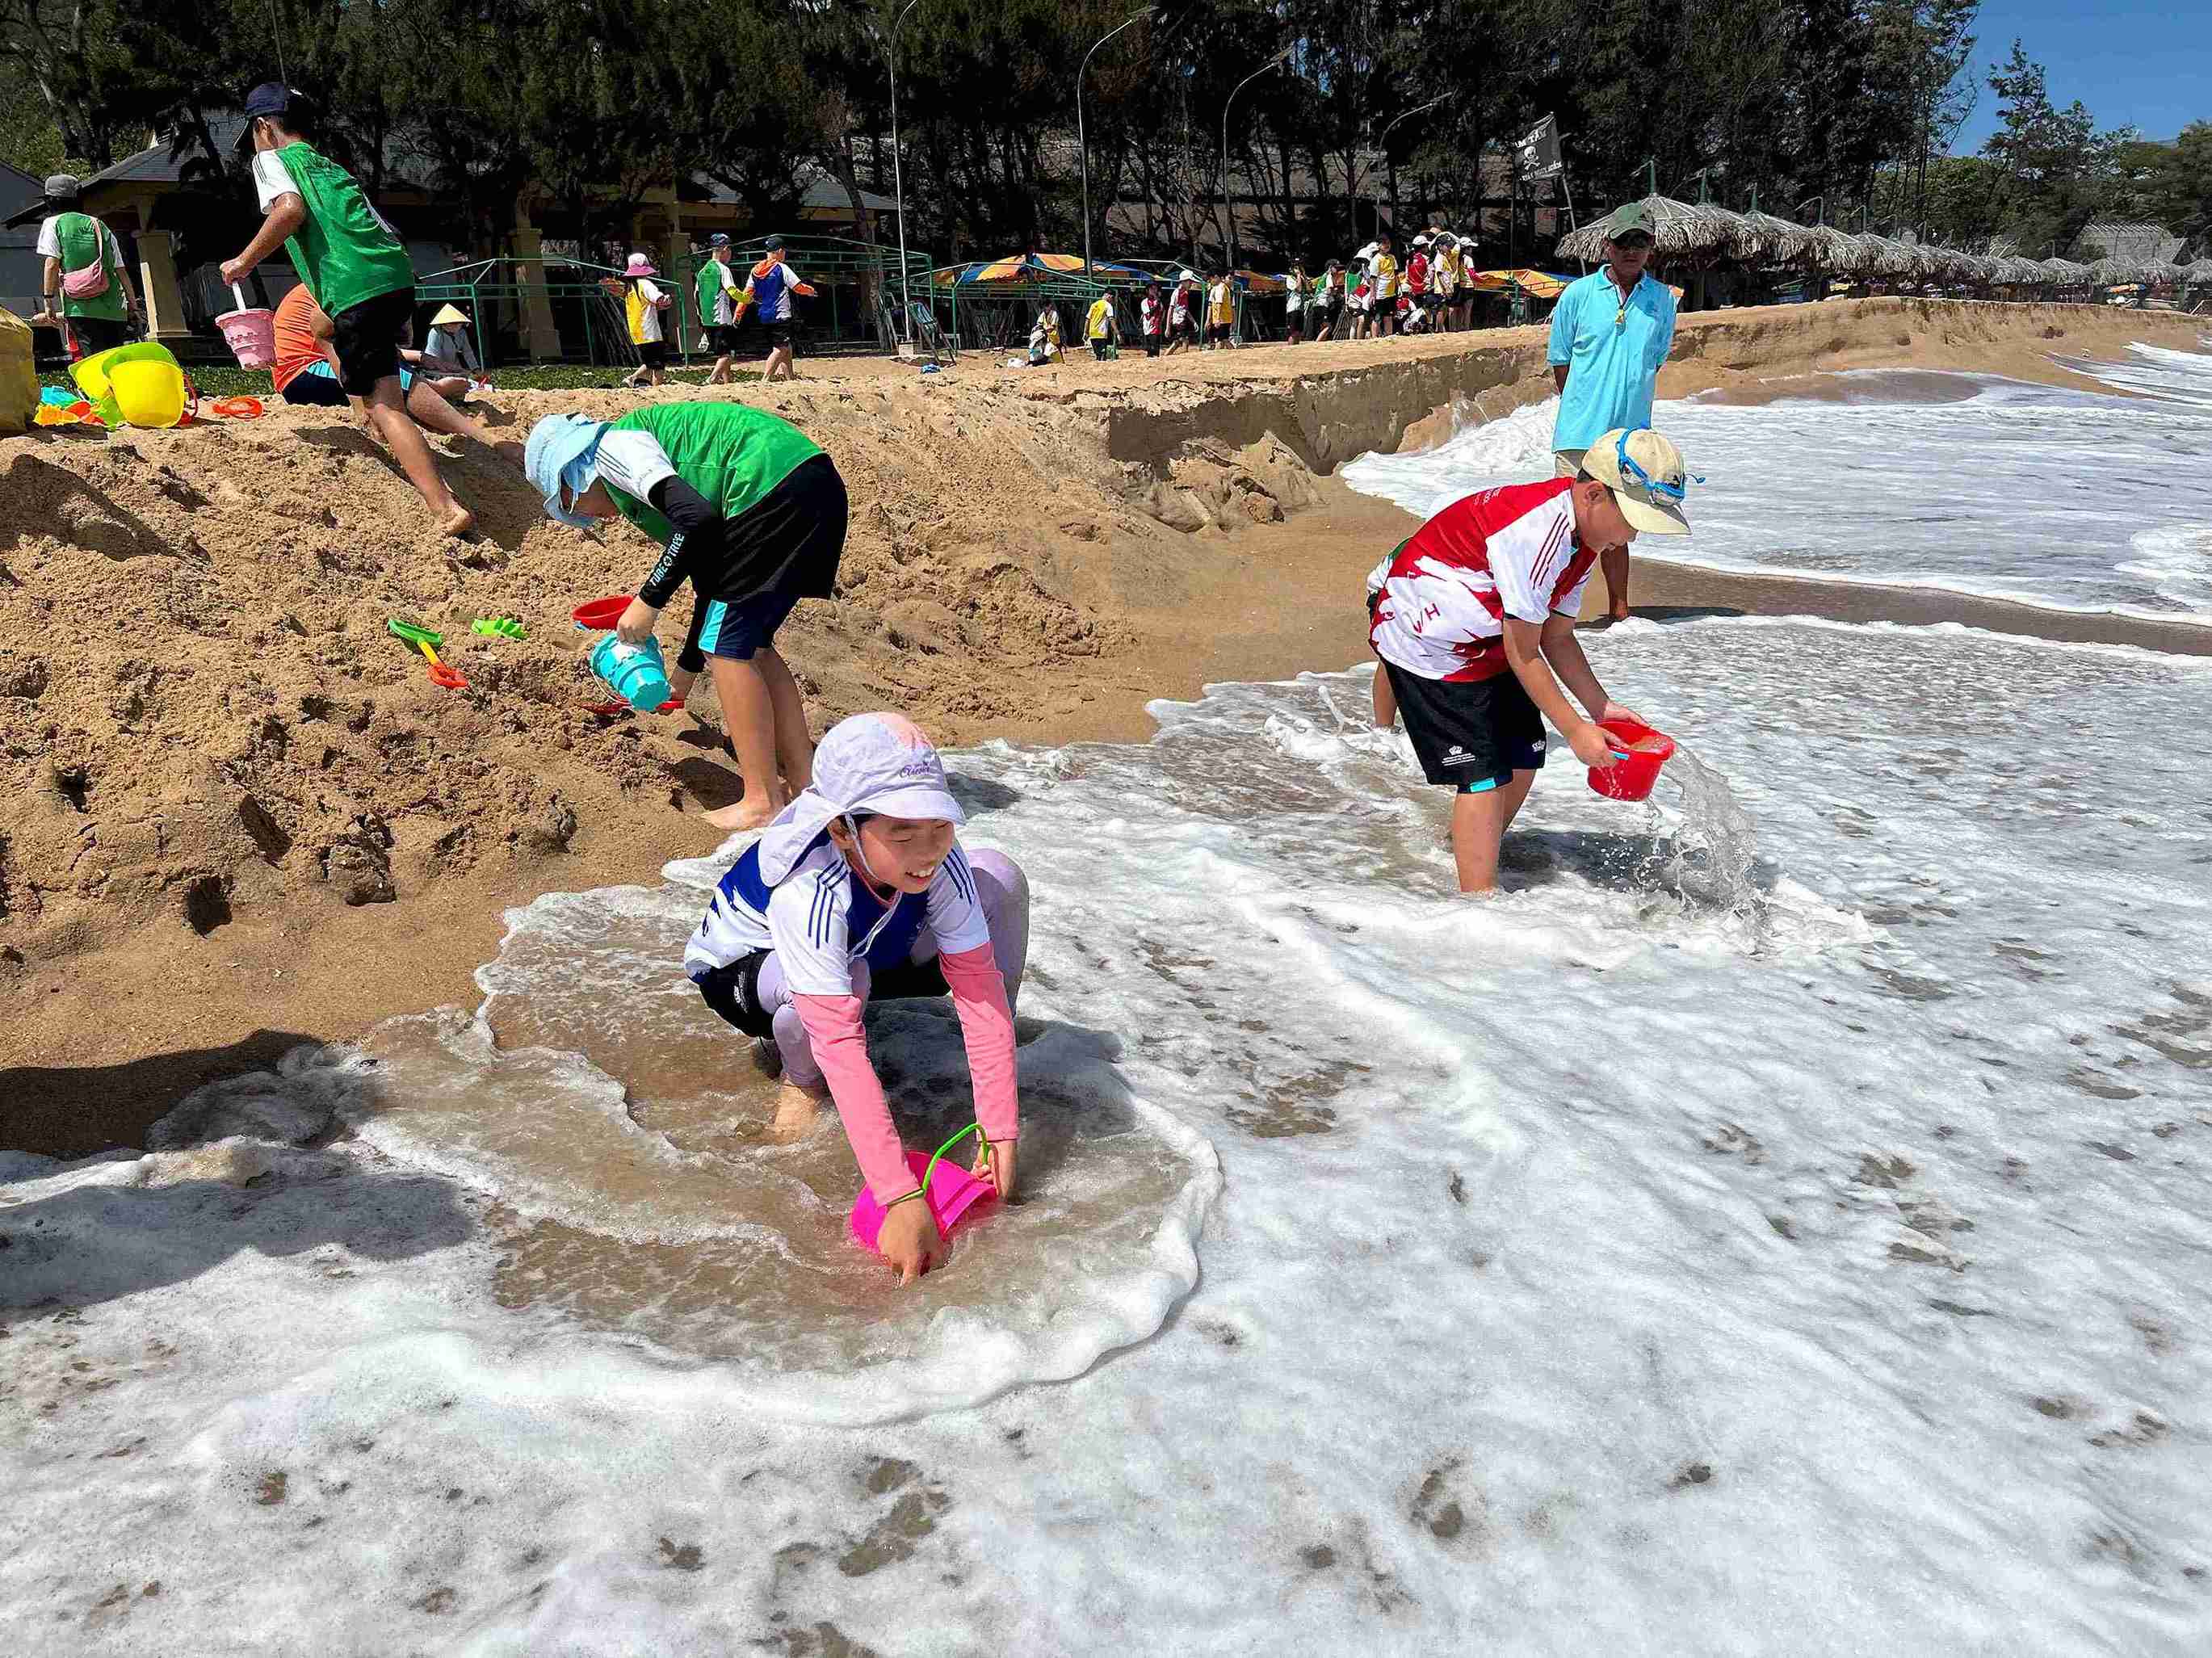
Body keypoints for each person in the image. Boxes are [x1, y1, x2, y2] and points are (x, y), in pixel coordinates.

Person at [682, 712, 1027, 1282]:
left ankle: (998, 1057)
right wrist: (897, 1196)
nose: (928, 848)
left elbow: (975, 982)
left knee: (1001, 877)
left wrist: (999, 1124)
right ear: (842, 828)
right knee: (845, 984)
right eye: (902, 832)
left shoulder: (935, 855)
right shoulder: (808, 886)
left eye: (938, 825)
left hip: (866, 943)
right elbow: (838, 1039)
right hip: (747, 973)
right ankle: (799, 1079)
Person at [1365, 426, 1694, 894]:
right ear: (1595, 494)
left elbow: (1558, 637)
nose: (1635, 535)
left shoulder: (1587, 543)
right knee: (1482, 773)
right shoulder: (1539, 531)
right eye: (1634, 519)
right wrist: (1576, 730)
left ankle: (1468, 846)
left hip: (1489, 634)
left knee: (1524, 752)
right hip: (1427, 636)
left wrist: (1601, 709)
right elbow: (1525, 651)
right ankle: (1479, 902)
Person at [523, 402, 845, 829]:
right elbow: (711, 584)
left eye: (572, 506)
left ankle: (762, 801)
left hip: (768, 487)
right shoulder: (651, 479)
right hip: (807, 481)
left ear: (574, 475)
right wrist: (685, 675)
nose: (589, 517)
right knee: (753, 646)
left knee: (730, 651)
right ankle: (805, 784)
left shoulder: (613, 450)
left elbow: (698, 522)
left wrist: (647, 601)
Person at [221, 82, 473, 539]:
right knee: (327, 326)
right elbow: (382, 229)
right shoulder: (331, 167)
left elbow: (289, 210)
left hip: (356, 288)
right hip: (395, 280)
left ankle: (444, 506)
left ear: (263, 127)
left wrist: (244, 260)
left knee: (388, 404)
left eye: (254, 136)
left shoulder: (270, 160)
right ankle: (365, 414)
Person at [1547, 203, 1677, 623]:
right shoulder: (1578, 295)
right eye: (1623, 242)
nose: (1631, 250)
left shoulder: (1662, 300)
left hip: (1629, 440)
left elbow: (1653, 361)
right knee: (1566, 529)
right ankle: (1549, 615)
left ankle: (1620, 615)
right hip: (1579, 434)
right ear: (1608, 245)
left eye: (1640, 242)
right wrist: (1583, 407)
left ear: (1650, 248)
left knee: (1620, 530)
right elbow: (1560, 360)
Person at [31, 175, 141, 359]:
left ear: (52, 200)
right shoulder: (99, 224)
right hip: (114, 307)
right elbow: (120, 269)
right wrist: (133, 306)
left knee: (93, 361)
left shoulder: (53, 223)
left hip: (80, 307)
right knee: (114, 360)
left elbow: (52, 264)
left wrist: (48, 301)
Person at [740, 235, 809, 383]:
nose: (784, 254)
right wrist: (811, 290)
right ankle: (765, 379)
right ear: (779, 251)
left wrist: (738, 313)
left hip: (764, 315)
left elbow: (746, 294)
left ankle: (790, 378)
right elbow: (798, 287)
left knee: (786, 346)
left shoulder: (755, 270)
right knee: (781, 349)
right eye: (784, 251)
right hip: (780, 315)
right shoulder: (781, 268)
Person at [695, 233, 742, 384]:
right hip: (722, 319)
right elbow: (733, 291)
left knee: (722, 352)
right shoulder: (723, 269)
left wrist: (701, 318)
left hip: (707, 319)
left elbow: (696, 296)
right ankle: (712, 378)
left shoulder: (702, 272)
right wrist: (750, 299)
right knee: (728, 353)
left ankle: (728, 381)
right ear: (726, 249)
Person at [619, 251, 670, 388]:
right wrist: (667, 299)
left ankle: (632, 378)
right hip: (649, 330)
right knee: (658, 365)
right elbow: (658, 299)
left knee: (651, 362)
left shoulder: (630, 287)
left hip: (637, 331)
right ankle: (657, 389)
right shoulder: (645, 284)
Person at [422, 303, 480, 378]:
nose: (454, 326)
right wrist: (449, 371)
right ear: (443, 324)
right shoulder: (435, 333)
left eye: (458, 323)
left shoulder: (462, 333)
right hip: (435, 368)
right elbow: (435, 358)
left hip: (453, 366)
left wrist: (475, 369)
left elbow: (467, 352)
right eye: (451, 323)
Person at [1368, 232, 1399, 338]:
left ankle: (1389, 337)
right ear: (1379, 245)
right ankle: (1374, 338)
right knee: (1377, 317)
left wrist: (1397, 288)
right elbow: (1372, 279)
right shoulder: (1376, 260)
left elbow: (1395, 275)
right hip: (1380, 293)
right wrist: (1372, 295)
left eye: (1388, 243)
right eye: (1384, 243)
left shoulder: (1392, 258)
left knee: (1389, 316)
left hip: (1391, 293)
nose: (1387, 245)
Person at [1165, 273, 1198, 355]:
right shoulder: (1176, 292)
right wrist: (1168, 327)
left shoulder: (1185, 294)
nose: (1191, 284)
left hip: (1182, 321)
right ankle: (1184, 357)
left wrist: (1194, 322)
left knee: (1177, 343)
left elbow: (1186, 310)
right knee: (1185, 340)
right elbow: (1170, 309)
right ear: (1184, 282)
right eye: (1190, 282)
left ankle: (1166, 356)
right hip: (1177, 322)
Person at [1083, 289, 1119, 361]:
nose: (1113, 301)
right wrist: (1117, 333)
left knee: (1097, 355)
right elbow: (1111, 319)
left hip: (1092, 334)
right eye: (1113, 299)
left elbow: (1087, 319)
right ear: (1110, 297)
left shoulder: (1094, 305)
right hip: (1101, 334)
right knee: (1102, 356)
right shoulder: (1108, 305)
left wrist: (1085, 332)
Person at [1205, 271, 1236, 350]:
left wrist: (1218, 319)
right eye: (1230, 278)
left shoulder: (1224, 289)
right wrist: (1209, 320)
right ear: (1223, 279)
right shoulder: (1220, 288)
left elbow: (1220, 304)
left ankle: (1217, 356)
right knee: (1223, 340)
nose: (1232, 281)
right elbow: (1211, 305)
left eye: (1232, 279)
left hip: (1222, 319)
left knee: (1221, 340)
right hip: (1221, 319)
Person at [1283, 260, 1307, 343]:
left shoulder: (1301, 279)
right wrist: (1298, 275)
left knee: (1298, 332)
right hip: (1293, 308)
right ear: (1291, 269)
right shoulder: (1289, 279)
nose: (1298, 269)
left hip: (1300, 308)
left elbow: (1309, 289)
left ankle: (1296, 349)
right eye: (1296, 268)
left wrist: (1303, 276)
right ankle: (1290, 349)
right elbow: (1298, 289)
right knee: (1293, 332)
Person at [1139, 281, 1165, 357]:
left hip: (1157, 328)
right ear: (1148, 290)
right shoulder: (1145, 302)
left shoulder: (1159, 302)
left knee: (1156, 350)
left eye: (1155, 289)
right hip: (1148, 328)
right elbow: (1148, 314)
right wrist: (1158, 302)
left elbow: (1162, 311)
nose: (1154, 291)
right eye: (1152, 289)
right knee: (1150, 350)